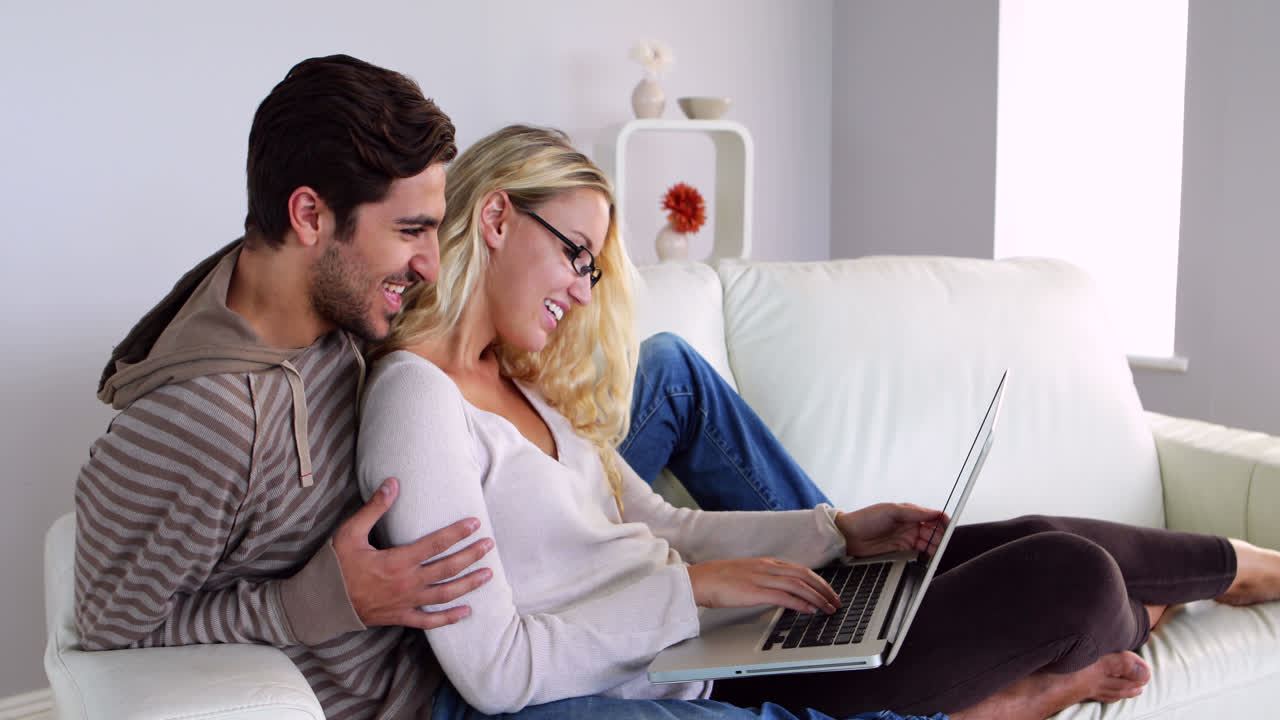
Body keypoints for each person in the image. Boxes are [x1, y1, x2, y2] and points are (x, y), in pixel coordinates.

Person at [72, 53, 913, 720]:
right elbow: (107, 629)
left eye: (435, 230)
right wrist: (315, 601)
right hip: (443, 675)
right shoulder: (203, 422)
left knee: (667, 372)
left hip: (481, 558)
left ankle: (861, 592)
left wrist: (826, 531)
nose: (433, 265)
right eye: (409, 232)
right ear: (307, 216)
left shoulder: (330, 311)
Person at [357, 124, 1280, 720]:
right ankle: (1089, 649)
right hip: (697, 665)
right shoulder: (416, 401)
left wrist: (833, 529)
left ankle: (1241, 572)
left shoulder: (525, 386)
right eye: (575, 255)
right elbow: (493, 673)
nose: (580, 289)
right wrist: (698, 593)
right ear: (491, 219)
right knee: (1071, 578)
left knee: (1029, 536)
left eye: (593, 270)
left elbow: (665, 526)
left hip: (728, 630)